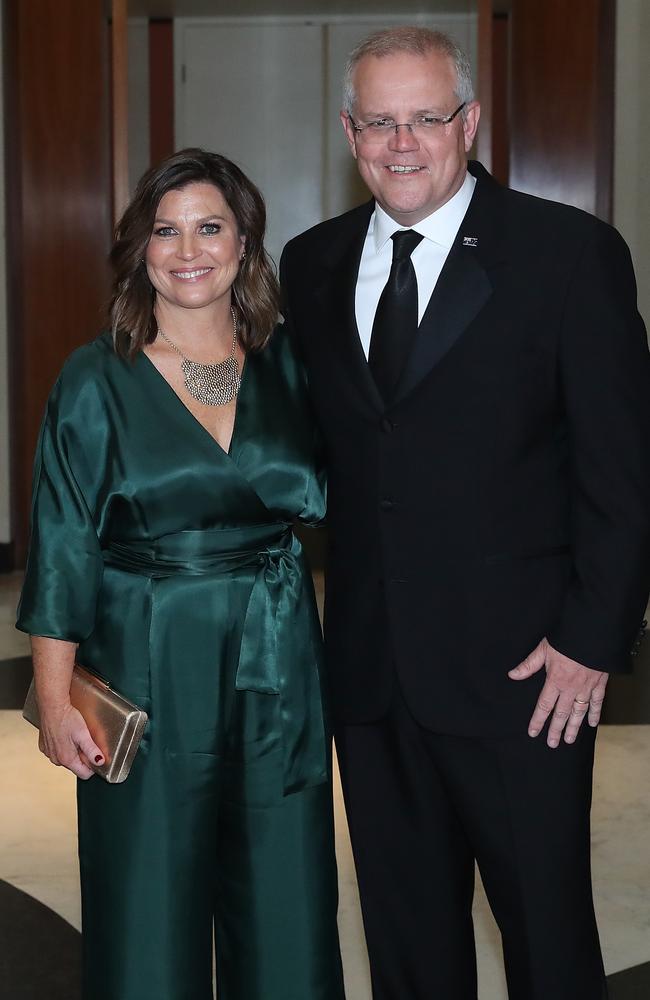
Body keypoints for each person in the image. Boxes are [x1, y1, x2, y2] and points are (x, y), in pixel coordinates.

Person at [280, 25, 650, 1000]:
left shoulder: (566, 254)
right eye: (377, 123)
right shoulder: (310, 264)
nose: (400, 144)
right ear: (349, 131)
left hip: (525, 674)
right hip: (367, 671)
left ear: (468, 121)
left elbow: (622, 469)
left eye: (425, 119)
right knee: (405, 945)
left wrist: (589, 637)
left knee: (547, 938)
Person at [17, 148, 345, 1000]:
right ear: (140, 249)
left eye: (210, 227)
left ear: (244, 245)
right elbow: (61, 543)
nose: (187, 249)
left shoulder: (291, 364)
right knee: (147, 890)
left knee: (284, 885)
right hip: (145, 651)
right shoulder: (96, 378)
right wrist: (54, 703)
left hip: (277, 654)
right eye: (165, 230)